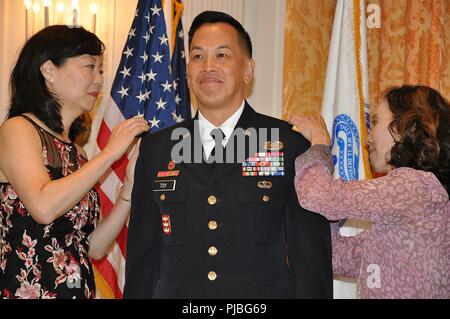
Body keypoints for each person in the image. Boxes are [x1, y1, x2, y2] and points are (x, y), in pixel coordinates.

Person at [123, 11, 332, 299]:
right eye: (197, 57)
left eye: (222, 56)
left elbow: (309, 256)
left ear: (248, 70)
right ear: (187, 71)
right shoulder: (157, 148)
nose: (208, 66)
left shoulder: (288, 142)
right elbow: (143, 256)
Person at [0, 25, 149, 299]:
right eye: (89, 66)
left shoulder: (78, 153)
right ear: (48, 70)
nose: (99, 79)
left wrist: (128, 188)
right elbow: (43, 207)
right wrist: (109, 154)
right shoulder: (18, 129)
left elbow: (94, 247)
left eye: (101, 70)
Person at [291, 85, 450, 298]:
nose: (367, 139)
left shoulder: (416, 186)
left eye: (375, 122)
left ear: (403, 127)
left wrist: (319, 143)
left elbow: (320, 196)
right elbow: (339, 258)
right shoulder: (415, 196)